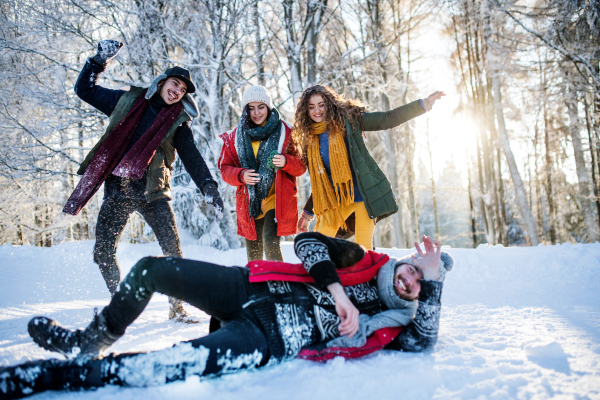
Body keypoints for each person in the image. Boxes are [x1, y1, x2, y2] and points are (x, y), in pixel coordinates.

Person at [0, 234, 452, 399]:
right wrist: (338, 291)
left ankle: (46, 378)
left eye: (420, 283)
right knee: (149, 270)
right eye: (414, 269)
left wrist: (435, 283)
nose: (410, 280)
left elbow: (423, 342)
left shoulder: (397, 325)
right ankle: (91, 341)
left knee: (165, 365)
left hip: (267, 336)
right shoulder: (363, 259)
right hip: (246, 285)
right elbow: (308, 243)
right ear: (403, 262)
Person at [63, 40, 224, 321]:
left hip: (154, 194)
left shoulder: (179, 123)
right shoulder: (127, 102)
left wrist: (209, 186)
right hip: (119, 189)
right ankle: (120, 304)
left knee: (173, 252)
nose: (177, 91)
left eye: (183, 90)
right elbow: (84, 90)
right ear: (161, 82)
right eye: (175, 84)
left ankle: (177, 308)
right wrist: (98, 61)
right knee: (102, 252)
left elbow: (193, 158)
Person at [293, 85, 445, 249]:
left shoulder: (349, 120)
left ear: (329, 104)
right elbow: (320, 180)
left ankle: (371, 273)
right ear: (305, 111)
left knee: (363, 246)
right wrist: (307, 214)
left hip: (364, 194)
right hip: (338, 198)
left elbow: (387, 119)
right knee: (319, 241)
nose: (317, 110)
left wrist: (423, 104)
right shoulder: (311, 139)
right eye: (311, 107)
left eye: (321, 104)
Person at [219, 86, 306, 262]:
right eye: (251, 108)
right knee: (254, 253)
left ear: (269, 107)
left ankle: (280, 283)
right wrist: (240, 175)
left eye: (261, 106)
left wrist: (286, 161)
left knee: (270, 242)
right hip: (250, 201)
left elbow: (302, 165)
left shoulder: (286, 132)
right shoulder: (235, 137)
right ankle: (256, 286)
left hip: (277, 199)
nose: (256, 112)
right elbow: (225, 168)